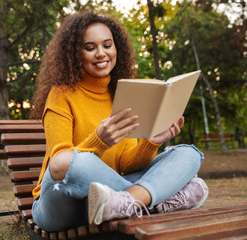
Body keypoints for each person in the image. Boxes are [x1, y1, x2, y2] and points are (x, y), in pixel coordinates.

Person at [29, 11, 208, 232]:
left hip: (103, 201)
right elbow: (59, 166)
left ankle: (128, 202)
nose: (101, 54)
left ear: (117, 48)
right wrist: (99, 141)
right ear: (75, 53)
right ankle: (155, 200)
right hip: (60, 202)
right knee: (70, 162)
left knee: (187, 154)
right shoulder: (61, 94)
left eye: (107, 45)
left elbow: (126, 164)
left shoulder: (122, 94)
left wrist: (151, 143)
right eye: (90, 47)